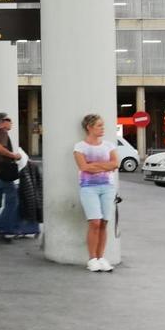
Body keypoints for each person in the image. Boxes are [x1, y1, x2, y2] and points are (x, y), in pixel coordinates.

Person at [73, 114, 119, 272]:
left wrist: (95, 165)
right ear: (89, 127)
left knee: (105, 222)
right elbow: (84, 167)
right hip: (88, 188)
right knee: (95, 222)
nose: (102, 128)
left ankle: (101, 257)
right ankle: (92, 259)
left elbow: (115, 164)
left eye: (102, 125)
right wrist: (105, 165)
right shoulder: (80, 147)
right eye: (99, 125)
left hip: (108, 187)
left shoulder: (109, 145)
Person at [0, 112, 21, 243]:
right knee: (12, 202)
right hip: (3, 174)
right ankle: (2, 229)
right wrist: (14, 155)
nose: (11, 122)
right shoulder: (2, 132)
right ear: (2, 121)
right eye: (9, 120)